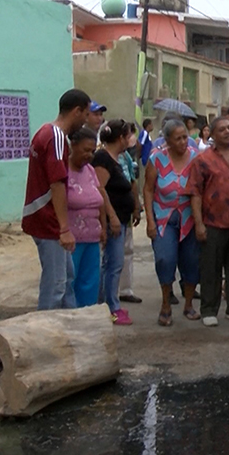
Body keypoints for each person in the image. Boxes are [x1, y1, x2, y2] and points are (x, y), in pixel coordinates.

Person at [184, 117, 229, 327]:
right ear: (212, 135)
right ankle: (209, 309)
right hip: (212, 222)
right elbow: (195, 193)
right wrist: (198, 223)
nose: (227, 131)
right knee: (210, 268)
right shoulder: (202, 160)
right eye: (222, 129)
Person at [23, 88, 90, 311]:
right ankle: (45, 330)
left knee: (67, 277)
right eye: (85, 114)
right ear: (77, 111)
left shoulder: (44, 131)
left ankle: (70, 324)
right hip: (48, 219)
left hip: (43, 217)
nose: (86, 120)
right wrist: (64, 228)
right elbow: (57, 183)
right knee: (56, 285)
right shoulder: (56, 138)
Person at [144, 119, 200, 326]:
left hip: (189, 218)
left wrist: (201, 221)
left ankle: (188, 305)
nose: (184, 142)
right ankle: (166, 303)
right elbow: (148, 190)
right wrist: (150, 220)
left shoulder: (195, 158)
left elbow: (199, 190)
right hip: (163, 217)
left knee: (191, 260)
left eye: (185, 137)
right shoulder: (156, 158)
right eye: (178, 138)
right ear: (167, 140)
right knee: (165, 259)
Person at [93, 119, 136, 325]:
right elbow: (100, 188)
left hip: (122, 218)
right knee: (113, 264)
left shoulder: (119, 158)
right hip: (114, 220)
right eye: (128, 135)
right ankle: (110, 305)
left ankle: (107, 302)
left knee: (112, 263)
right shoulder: (103, 158)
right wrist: (112, 217)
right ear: (121, 138)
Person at [65, 127, 107, 308]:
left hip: (92, 238)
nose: (89, 155)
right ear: (73, 146)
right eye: (85, 150)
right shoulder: (62, 171)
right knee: (69, 283)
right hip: (71, 240)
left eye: (92, 151)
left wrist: (103, 227)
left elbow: (100, 199)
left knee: (90, 282)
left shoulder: (90, 170)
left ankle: (87, 317)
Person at [118, 124, 143, 305]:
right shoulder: (104, 157)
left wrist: (136, 206)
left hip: (125, 213)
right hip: (113, 214)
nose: (130, 140)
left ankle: (125, 289)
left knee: (127, 251)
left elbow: (133, 182)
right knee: (111, 255)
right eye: (127, 136)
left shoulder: (126, 157)